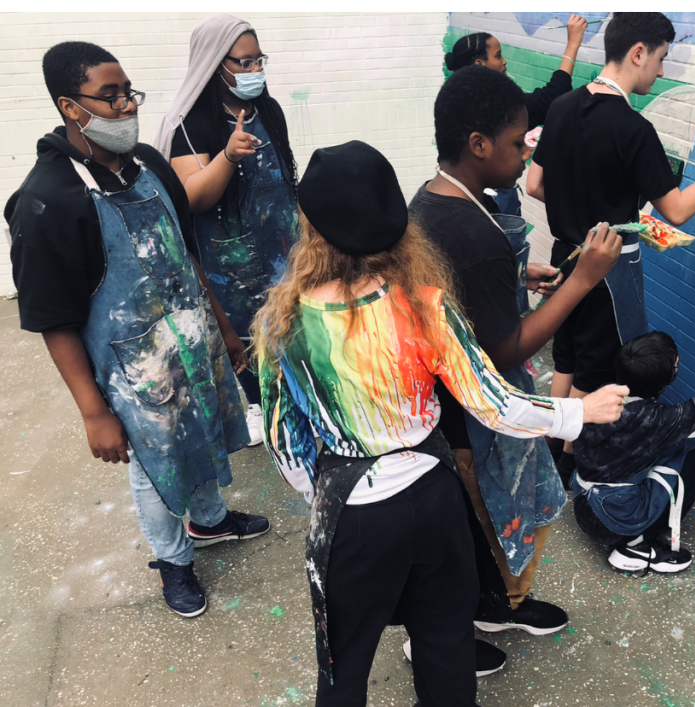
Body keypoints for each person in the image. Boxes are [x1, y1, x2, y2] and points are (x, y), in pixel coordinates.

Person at [253, 141, 628, 707]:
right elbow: (494, 403)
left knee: (342, 666)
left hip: (351, 515)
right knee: (446, 651)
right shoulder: (424, 302)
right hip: (435, 499)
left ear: (310, 224)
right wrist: (581, 409)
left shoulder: (284, 326)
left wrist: (328, 495)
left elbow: (287, 449)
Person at [6, 41, 270, 619]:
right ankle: (173, 560)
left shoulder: (148, 163)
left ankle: (210, 522)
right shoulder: (49, 199)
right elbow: (54, 320)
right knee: (158, 466)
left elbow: (182, 248)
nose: (127, 106)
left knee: (201, 432)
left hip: (192, 338)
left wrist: (223, 327)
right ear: (70, 107)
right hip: (134, 369)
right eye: (110, 96)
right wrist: (93, 411)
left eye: (128, 92)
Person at [408, 65, 623, 657]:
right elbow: (504, 351)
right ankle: (453, 631)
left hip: (450, 408)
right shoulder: (469, 235)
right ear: (478, 145)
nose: (526, 153)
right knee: (482, 524)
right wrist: (581, 281)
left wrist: (514, 273)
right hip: (471, 421)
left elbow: (465, 293)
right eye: (517, 142)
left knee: (482, 528)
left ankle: (502, 605)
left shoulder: (436, 199)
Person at [527, 12, 695, 479]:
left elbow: (536, 184)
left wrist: (592, 206)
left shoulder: (561, 107)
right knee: (599, 375)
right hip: (608, 274)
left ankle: (550, 454)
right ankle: (574, 470)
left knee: (567, 357)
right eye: (660, 59)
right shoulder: (633, 129)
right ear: (638, 52)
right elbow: (675, 210)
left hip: (564, 258)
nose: (661, 72)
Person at [156, 14, 299, 447]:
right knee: (247, 333)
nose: (254, 71)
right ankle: (258, 403)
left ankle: (300, 395)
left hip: (282, 243)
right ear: (215, 63)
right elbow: (193, 197)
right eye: (243, 63)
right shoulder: (189, 122)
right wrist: (228, 156)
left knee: (292, 324)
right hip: (230, 258)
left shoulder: (267, 109)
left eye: (259, 61)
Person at [572, 293, 695, 572]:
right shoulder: (658, 421)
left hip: (584, 506)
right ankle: (637, 545)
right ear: (668, 378)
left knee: (673, 450)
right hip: (615, 521)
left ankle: (632, 534)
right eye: (676, 365)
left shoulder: (600, 399)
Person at [444, 15, 588, 217]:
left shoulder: (457, 100)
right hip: (495, 205)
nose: (504, 62)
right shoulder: (496, 106)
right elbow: (550, 98)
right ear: (479, 64)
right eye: (497, 56)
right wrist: (572, 45)